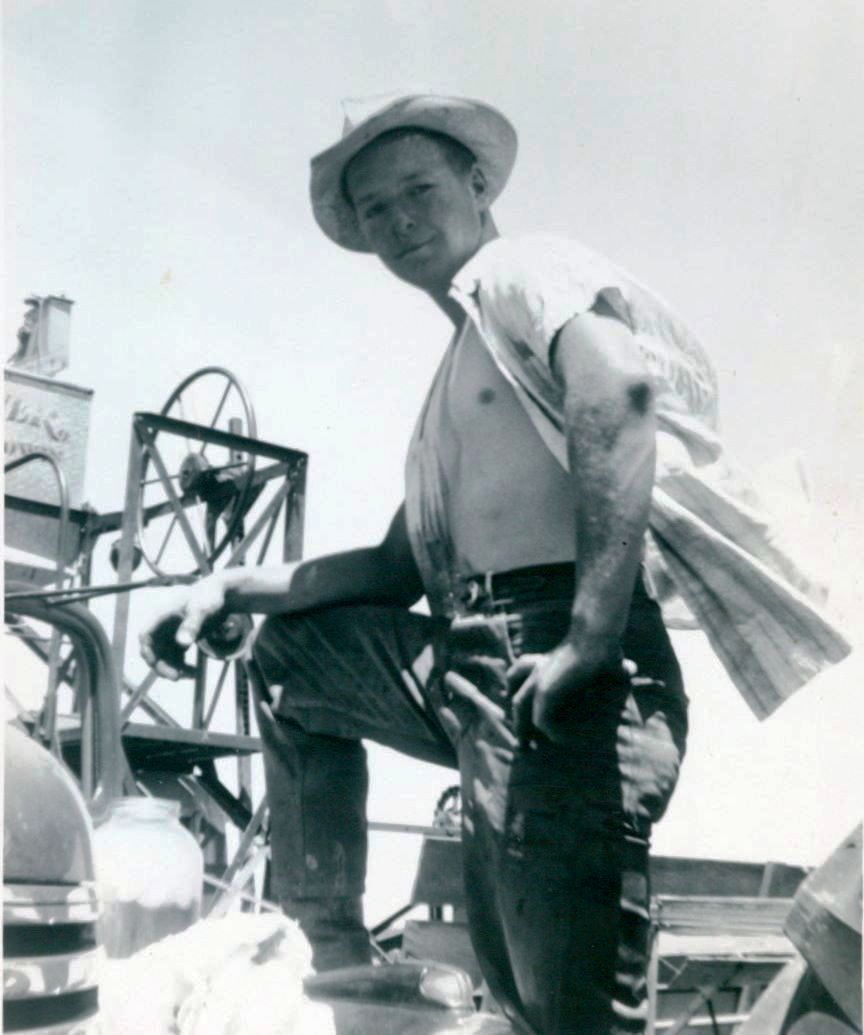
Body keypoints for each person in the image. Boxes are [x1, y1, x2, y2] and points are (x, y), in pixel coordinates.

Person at [141, 94, 849, 1035]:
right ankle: (338, 955)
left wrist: (589, 638)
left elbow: (619, 390)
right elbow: (395, 567)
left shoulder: (521, 270)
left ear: (477, 185)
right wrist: (232, 586)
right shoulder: (466, 365)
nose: (399, 222)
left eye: (419, 191)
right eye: (375, 209)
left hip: (563, 655)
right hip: (475, 657)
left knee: (566, 1009)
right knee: (294, 657)